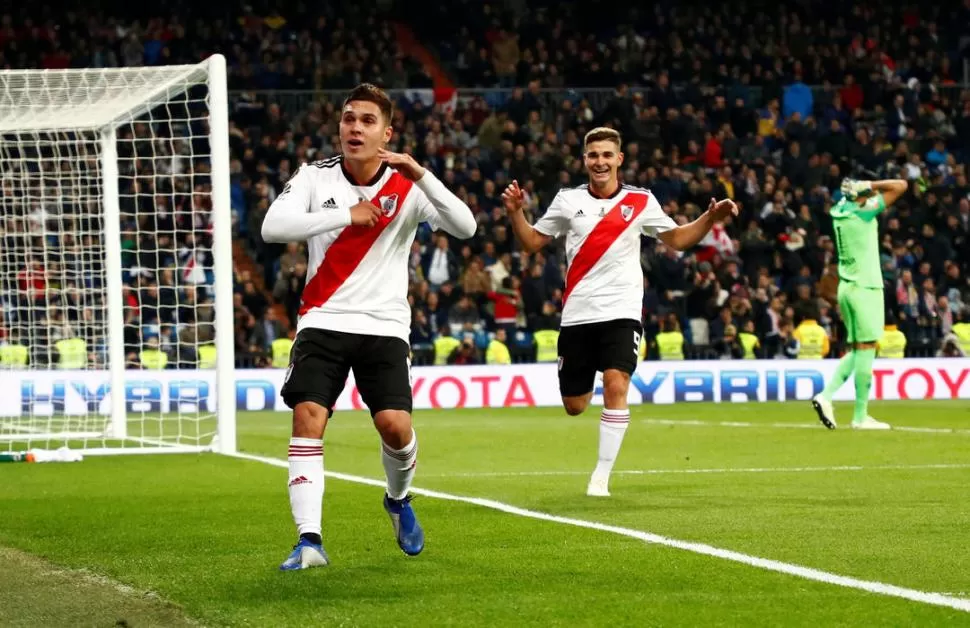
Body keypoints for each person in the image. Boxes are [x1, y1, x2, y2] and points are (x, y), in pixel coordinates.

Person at [260, 83, 476, 570]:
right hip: (323, 318)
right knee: (307, 418)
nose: (354, 128)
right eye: (348, 118)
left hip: (384, 325)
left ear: (387, 132)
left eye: (366, 121)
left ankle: (398, 501)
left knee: (395, 427)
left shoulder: (409, 184)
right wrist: (344, 214)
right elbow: (273, 227)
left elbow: (466, 227)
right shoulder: (315, 177)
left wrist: (421, 173)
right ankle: (309, 540)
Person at [502, 126, 738, 497]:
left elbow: (676, 238)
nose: (600, 161)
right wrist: (516, 213)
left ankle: (601, 476)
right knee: (575, 405)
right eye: (593, 155)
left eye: (607, 155)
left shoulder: (641, 201)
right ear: (584, 160)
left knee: (616, 384)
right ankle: (594, 387)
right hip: (579, 313)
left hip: (623, 310)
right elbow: (532, 242)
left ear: (619, 159)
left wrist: (709, 219)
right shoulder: (567, 200)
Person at [811, 177, 908, 430]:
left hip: (847, 286)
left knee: (858, 349)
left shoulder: (839, 211)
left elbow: (852, 198)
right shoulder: (863, 213)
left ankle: (831, 399)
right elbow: (901, 186)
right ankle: (858, 415)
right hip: (865, 286)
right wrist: (873, 184)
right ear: (862, 196)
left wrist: (859, 190)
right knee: (867, 348)